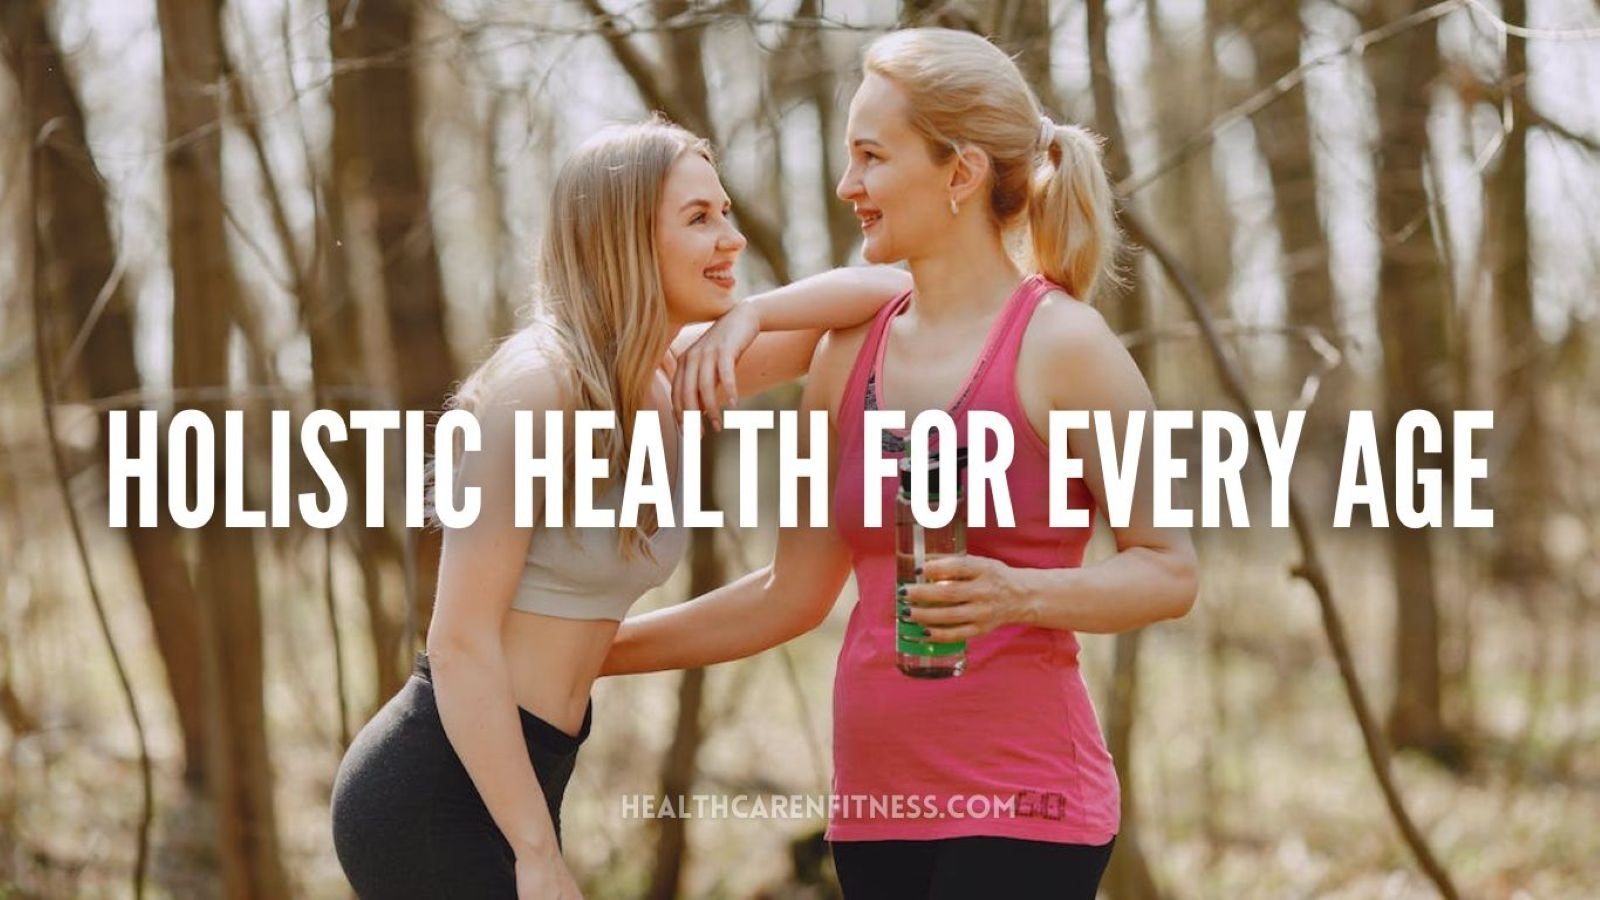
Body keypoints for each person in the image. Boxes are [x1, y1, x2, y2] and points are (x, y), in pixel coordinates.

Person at [602, 28, 1198, 899]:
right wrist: (595, 651)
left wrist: (1018, 594)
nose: (848, 185)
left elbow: (1169, 571)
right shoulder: (846, 351)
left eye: (872, 157)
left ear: (961, 174)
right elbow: (788, 594)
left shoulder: (1068, 346)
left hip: (1025, 806)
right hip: (875, 811)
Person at [329, 117, 909, 899]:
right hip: (437, 793)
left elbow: (894, 299)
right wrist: (536, 853)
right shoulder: (542, 386)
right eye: (698, 218)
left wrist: (752, 316)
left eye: (726, 211)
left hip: (526, 775)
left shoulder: (663, 379)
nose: (731, 237)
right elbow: (459, 641)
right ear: (623, 237)